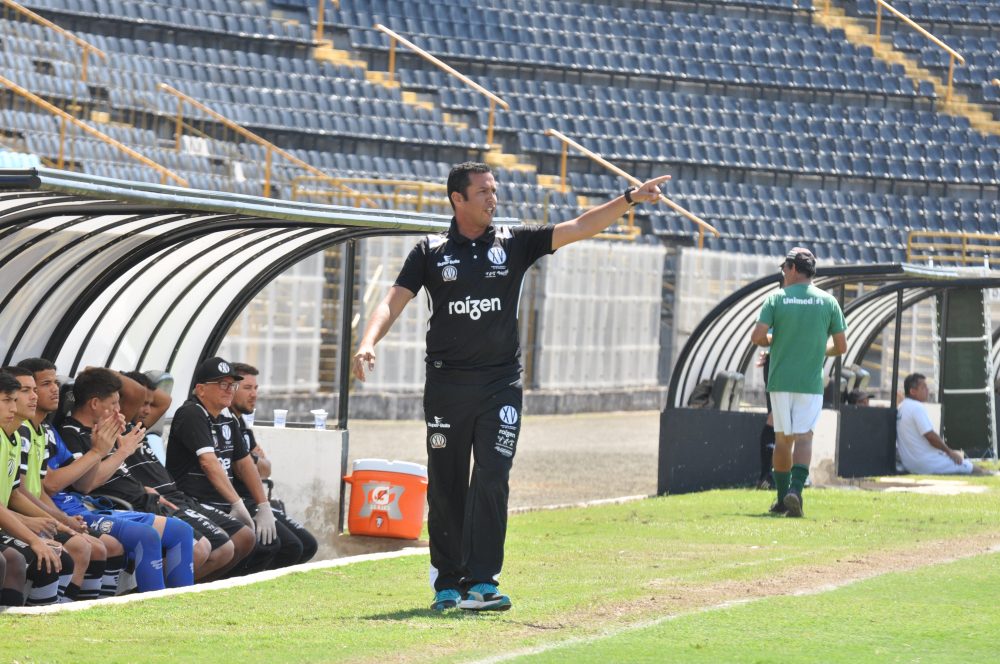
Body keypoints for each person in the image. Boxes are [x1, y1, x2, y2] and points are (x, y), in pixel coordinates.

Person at [353, 161, 671, 611]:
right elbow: (393, 299)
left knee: (493, 475)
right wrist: (368, 342)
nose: (492, 198)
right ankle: (447, 582)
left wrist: (630, 199)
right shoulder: (429, 251)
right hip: (447, 384)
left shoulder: (515, 241)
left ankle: (483, 580)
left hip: (501, 383)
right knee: (446, 483)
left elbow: (579, 226)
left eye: (494, 190)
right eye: (482, 191)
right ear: (457, 199)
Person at [49, 367, 195, 592]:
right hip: (84, 508)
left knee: (182, 531)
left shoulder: (57, 432)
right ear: (95, 403)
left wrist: (110, 451)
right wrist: (116, 452)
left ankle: (181, 605)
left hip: (101, 506)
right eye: (115, 403)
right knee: (147, 536)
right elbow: (83, 485)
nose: (120, 410)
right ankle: (154, 608)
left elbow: (82, 483)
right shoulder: (70, 432)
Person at [119, 370, 253, 581]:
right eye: (141, 403)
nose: (146, 410)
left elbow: (164, 400)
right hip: (156, 502)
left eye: (148, 403)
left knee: (245, 537)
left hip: (177, 496)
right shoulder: (116, 429)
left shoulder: (138, 426)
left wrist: (141, 386)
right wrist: (99, 374)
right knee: (218, 548)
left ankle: (197, 590)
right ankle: (154, 594)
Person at [17, 357, 127, 597]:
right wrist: (60, 519)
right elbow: (45, 486)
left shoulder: (46, 430)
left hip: (45, 511)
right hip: (24, 517)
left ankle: (91, 608)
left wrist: (101, 451)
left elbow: (82, 485)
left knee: (105, 546)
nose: (54, 389)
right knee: (83, 547)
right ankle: (61, 609)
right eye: (43, 384)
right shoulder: (22, 430)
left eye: (55, 382)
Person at [751, 247, 847, 518]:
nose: (783, 272)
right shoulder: (828, 302)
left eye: (784, 268)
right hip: (810, 382)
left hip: (780, 380)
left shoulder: (776, 298)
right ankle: (796, 490)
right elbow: (841, 346)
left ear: (793, 268)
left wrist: (772, 341)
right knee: (805, 438)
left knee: (783, 440)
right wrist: (819, 349)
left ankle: (782, 499)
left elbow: (757, 336)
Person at [165, 357, 279, 576]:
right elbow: (209, 462)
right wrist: (236, 502)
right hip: (194, 500)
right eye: (222, 385)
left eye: (232, 385)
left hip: (223, 501)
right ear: (201, 389)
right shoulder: (192, 412)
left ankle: (217, 587)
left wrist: (263, 505)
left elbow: (245, 464)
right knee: (245, 539)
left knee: (273, 543)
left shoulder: (227, 418)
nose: (229, 390)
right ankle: (192, 588)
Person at [228, 362, 317, 568]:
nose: (254, 394)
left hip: (256, 500)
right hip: (240, 503)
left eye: (256, 388)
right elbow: (245, 468)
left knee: (308, 544)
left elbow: (265, 469)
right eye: (247, 388)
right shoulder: (224, 422)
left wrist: (255, 460)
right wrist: (255, 461)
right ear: (231, 389)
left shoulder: (242, 424)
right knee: (291, 546)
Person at [0, 371, 66, 604]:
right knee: (19, 560)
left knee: (58, 555)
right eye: (8, 399)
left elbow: (15, 493)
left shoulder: (15, 438)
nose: (16, 403)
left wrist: (59, 521)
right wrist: (33, 534)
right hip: (7, 522)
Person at [896, 373, 986, 475]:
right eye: (923, 387)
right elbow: (930, 436)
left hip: (910, 464)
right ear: (912, 391)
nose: (927, 390)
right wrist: (950, 452)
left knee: (972, 466)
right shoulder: (916, 407)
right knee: (975, 470)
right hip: (927, 462)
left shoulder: (902, 407)